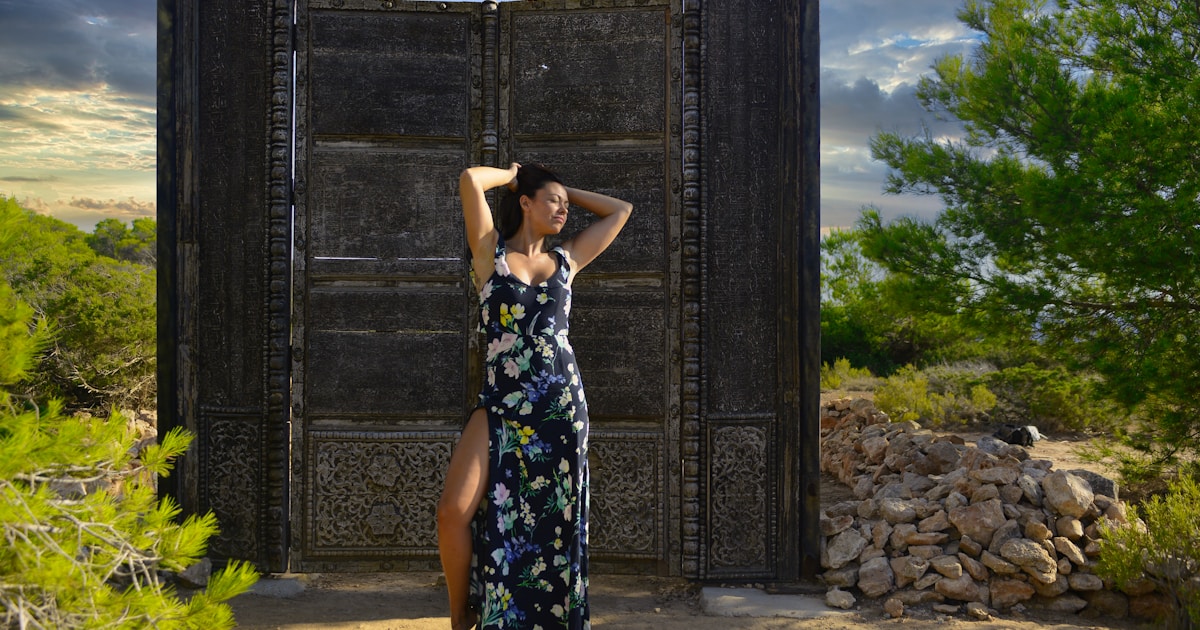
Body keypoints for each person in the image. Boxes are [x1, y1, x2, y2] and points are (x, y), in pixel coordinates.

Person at [438, 162, 633, 630]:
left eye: (566, 205)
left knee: (553, 528)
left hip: (562, 409)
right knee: (452, 513)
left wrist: (566, 189)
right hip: (502, 407)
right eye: (553, 201)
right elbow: (469, 180)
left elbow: (620, 210)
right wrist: (511, 175)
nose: (564, 210)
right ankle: (460, 614)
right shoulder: (490, 254)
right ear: (525, 203)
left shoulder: (567, 261)